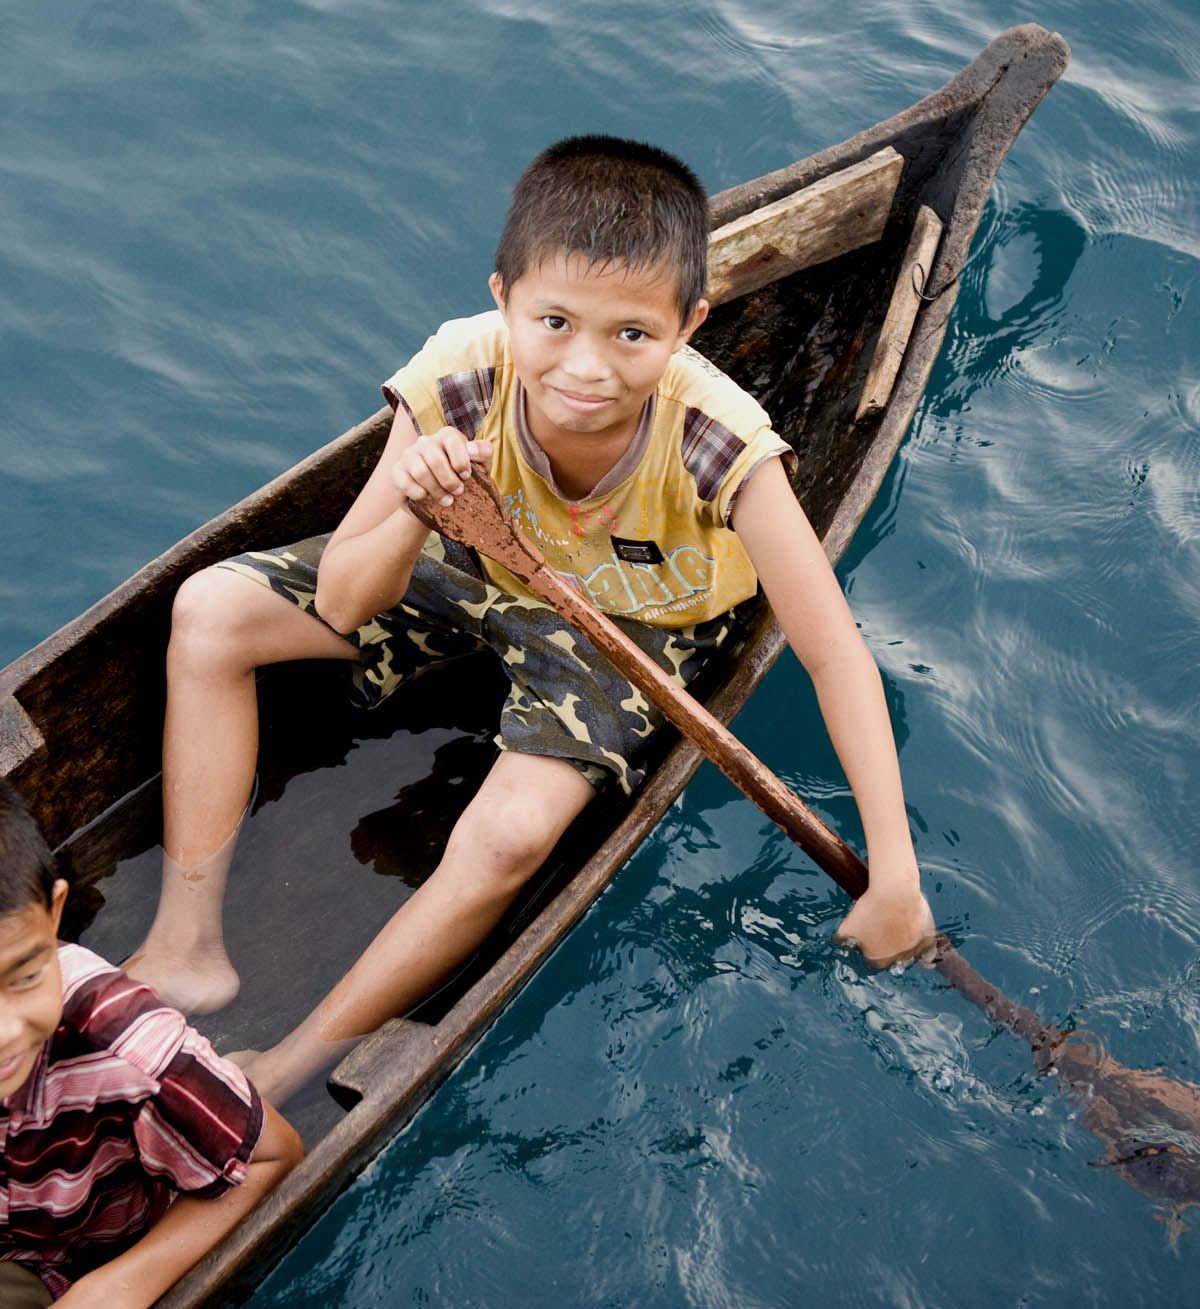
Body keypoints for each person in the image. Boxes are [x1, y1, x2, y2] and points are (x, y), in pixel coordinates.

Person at [125, 135, 935, 1105]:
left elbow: (832, 652)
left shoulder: (716, 437)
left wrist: (895, 871)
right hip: (478, 561)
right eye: (553, 321)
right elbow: (345, 598)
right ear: (503, 298)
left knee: (509, 835)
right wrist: (420, 507)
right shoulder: (462, 377)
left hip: (636, 628)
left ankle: (288, 1067)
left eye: (632, 334)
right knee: (210, 610)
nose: (586, 366)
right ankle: (185, 943)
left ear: (689, 325)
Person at [0, 779, 303, 1307]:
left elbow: (270, 1158)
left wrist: (123, 1284)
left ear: (53, 916)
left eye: (24, 976)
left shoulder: (123, 1045)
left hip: (93, 1252)